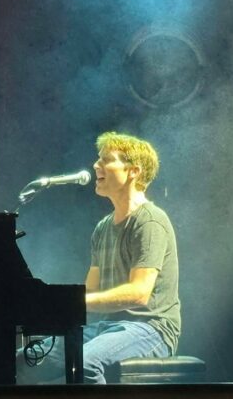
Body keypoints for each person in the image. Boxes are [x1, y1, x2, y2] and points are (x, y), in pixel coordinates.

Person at [18, 131, 181, 384]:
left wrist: (70, 303)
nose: (96, 165)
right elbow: (91, 290)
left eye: (106, 160)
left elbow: (139, 293)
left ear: (133, 171)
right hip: (107, 327)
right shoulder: (103, 227)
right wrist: (52, 304)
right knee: (22, 363)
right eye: (98, 159)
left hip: (151, 328)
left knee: (85, 362)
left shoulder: (150, 221)